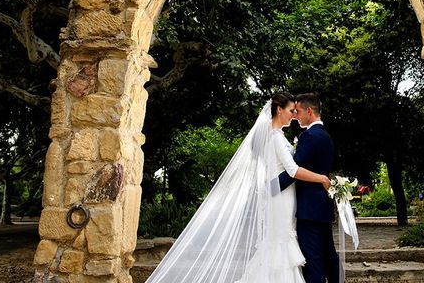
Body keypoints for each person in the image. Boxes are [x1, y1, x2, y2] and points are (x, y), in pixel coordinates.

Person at [145, 92, 330, 283]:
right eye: (291, 110)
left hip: (282, 197)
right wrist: (322, 179)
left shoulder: (277, 136)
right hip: (281, 199)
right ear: (278, 110)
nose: (293, 115)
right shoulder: (275, 137)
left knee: (278, 243)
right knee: (280, 243)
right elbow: (292, 170)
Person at [278, 93, 340, 283]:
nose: (295, 116)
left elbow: (293, 170)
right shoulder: (326, 136)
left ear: (309, 111)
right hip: (322, 205)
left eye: (298, 111)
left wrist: (270, 188)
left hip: (309, 209)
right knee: (328, 254)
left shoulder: (310, 136)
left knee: (312, 259)